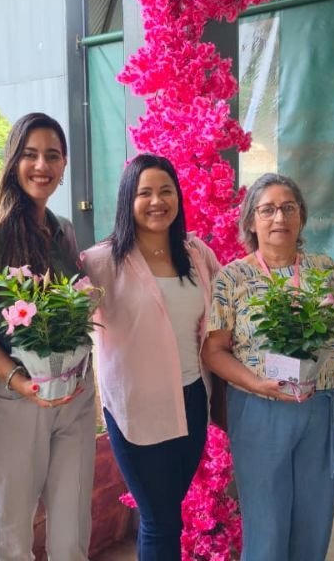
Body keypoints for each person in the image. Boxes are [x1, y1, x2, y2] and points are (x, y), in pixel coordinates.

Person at [0, 112, 95, 561]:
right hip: (15, 400)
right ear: (13, 160)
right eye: (30, 154)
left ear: (64, 164)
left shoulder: (63, 231)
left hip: (73, 397)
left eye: (52, 156)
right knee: (11, 542)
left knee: (72, 537)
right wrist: (19, 380)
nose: (41, 166)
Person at [201, 173, 334, 561]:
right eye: (267, 210)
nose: (279, 217)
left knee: (315, 518)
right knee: (266, 522)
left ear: (301, 216)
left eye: (288, 208)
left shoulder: (325, 270)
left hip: (322, 404)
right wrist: (256, 383)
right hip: (259, 407)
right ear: (251, 221)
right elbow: (214, 351)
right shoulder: (232, 277)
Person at [81, 155, 221, 561]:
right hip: (136, 410)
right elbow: (67, 321)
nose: (157, 201)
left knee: (162, 514)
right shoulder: (101, 262)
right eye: (145, 193)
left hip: (191, 400)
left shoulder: (196, 254)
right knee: (162, 520)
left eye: (165, 191)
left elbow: (228, 307)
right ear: (128, 200)